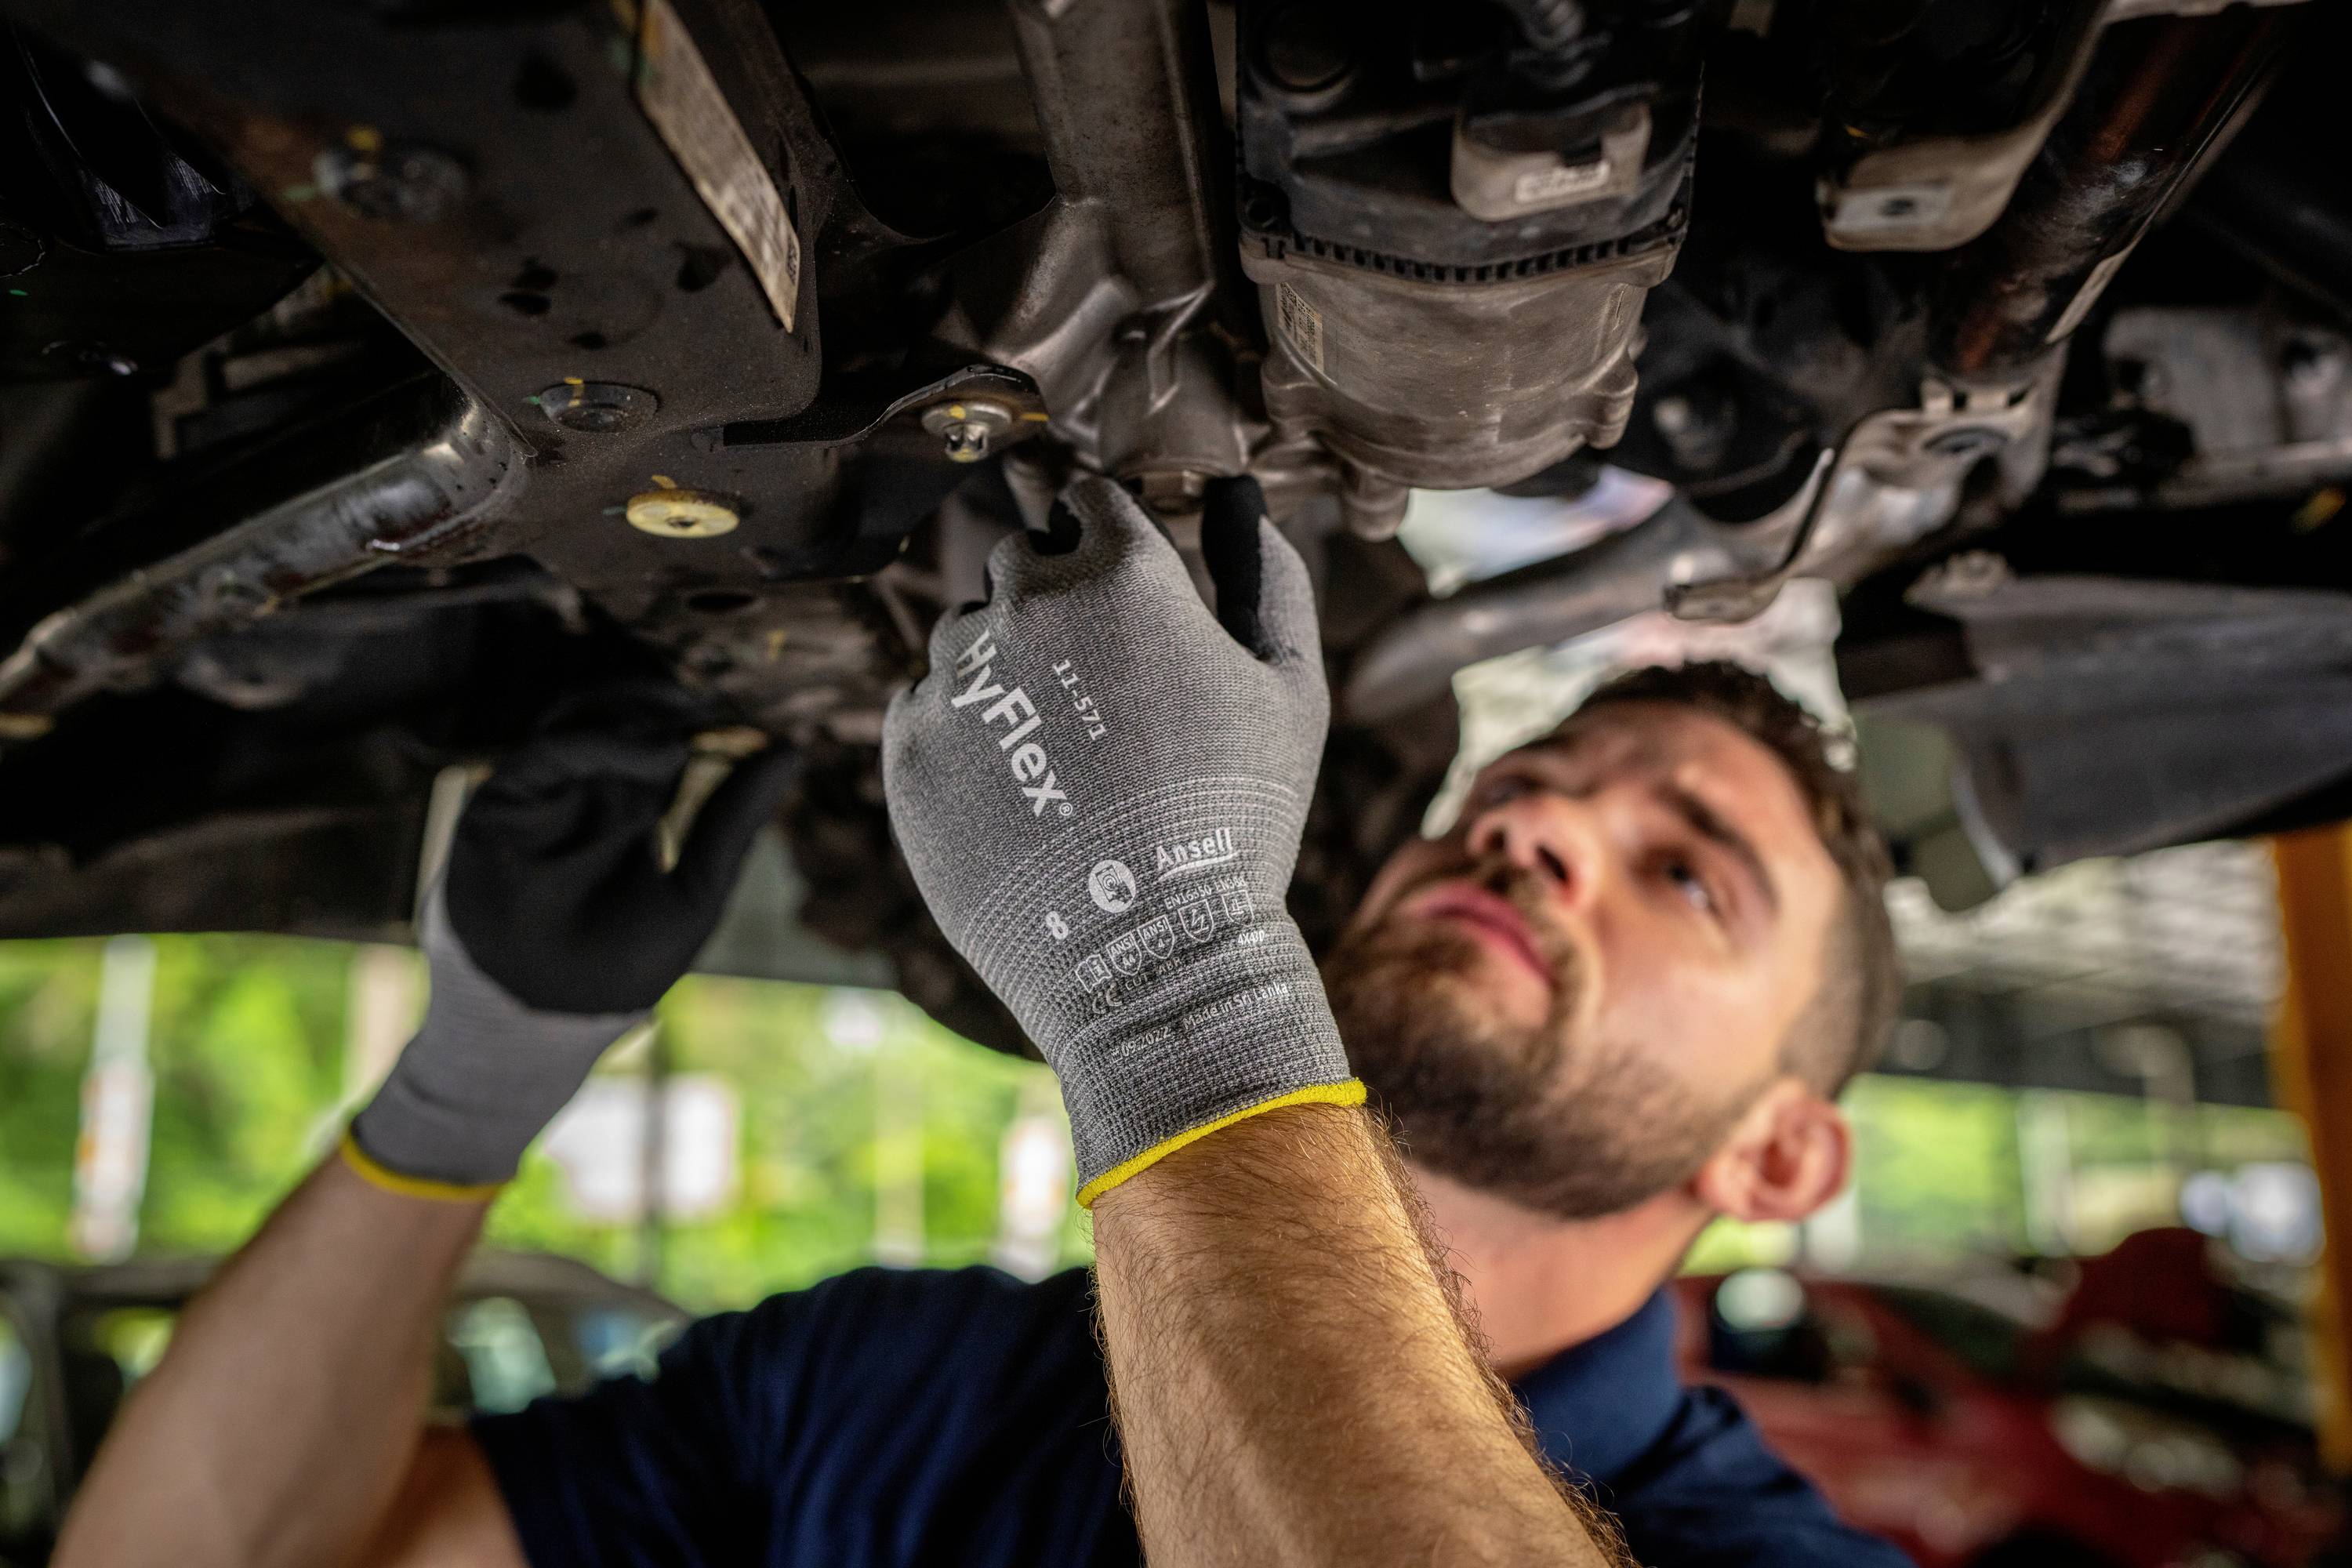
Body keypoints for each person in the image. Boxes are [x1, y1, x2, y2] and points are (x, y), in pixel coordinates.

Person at [52, 478, 1909, 1568]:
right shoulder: (884, 1383)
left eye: (1690, 874)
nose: (1542, 820)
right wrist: (473, 1082)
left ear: (1782, 1149)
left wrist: (1174, 982)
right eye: (1541, 777)